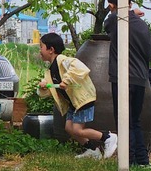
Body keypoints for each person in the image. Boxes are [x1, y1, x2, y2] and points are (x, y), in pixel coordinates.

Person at [38, 32, 116, 160]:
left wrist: (66, 80)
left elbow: (81, 68)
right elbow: (50, 91)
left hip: (83, 99)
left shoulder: (64, 61)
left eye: (41, 47)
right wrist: (43, 87)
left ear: (51, 49)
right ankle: (92, 150)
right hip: (74, 103)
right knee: (69, 128)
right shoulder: (51, 70)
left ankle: (108, 137)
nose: (40, 50)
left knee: (78, 130)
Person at [104, 0, 151, 167]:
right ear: (130, 3)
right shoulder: (142, 26)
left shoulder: (113, 21)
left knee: (124, 121)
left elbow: (109, 24)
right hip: (140, 78)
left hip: (122, 78)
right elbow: (149, 52)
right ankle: (142, 160)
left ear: (111, 6)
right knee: (135, 120)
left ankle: (129, 159)